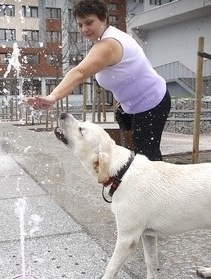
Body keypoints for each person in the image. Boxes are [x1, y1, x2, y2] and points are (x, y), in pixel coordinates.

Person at [24, 0, 171, 161]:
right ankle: (129, 185)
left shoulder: (109, 44)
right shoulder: (105, 39)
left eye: (89, 22)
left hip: (151, 103)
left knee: (146, 158)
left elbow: (79, 72)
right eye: (80, 25)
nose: (84, 29)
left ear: (104, 19)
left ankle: (157, 185)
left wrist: (52, 97)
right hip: (129, 107)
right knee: (128, 157)